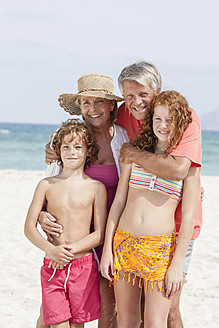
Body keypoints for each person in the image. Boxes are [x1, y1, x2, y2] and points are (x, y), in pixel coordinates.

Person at [44, 61, 202, 328]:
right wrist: (52, 148)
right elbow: (74, 143)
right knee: (116, 312)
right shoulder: (122, 120)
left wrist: (134, 154)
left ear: (158, 91)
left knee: (167, 312)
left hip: (169, 234)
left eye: (143, 94)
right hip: (117, 236)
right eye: (129, 96)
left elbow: (179, 170)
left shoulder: (181, 116)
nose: (137, 103)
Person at [100, 90, 200, 328]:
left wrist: (176, 266)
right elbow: (119, 203)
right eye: (158, 119)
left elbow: (188, 217)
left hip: (159, 249)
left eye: (170, 120)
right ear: (151, 119)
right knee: (128, 321)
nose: (163, 126)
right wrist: (107, 250)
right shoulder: (134, 153)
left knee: (156, 322)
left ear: (181, 122)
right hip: (124, 244)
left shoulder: (188, 167)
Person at [37, 73, 129, 328]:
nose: (92, 109)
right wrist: (42, 214)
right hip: (74, 233)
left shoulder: (124, 139)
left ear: (112, 105)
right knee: (50, 312)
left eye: (99, 101)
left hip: (112, 232)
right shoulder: (70, 139)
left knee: (107, 305)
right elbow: (52, 183)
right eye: (86, 103)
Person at [24, 119, 107, 327]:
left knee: (77, 324)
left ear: (88, 151)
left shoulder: (96, 188)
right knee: (57, 323)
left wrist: (68, 251)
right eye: (66, 146)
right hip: (53, 264)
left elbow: (99, 234)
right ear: (58, 151)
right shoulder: (46, 185)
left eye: (78, 147)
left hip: (83, 266)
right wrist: (51, 250)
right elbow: (29, 228)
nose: (72, 152)